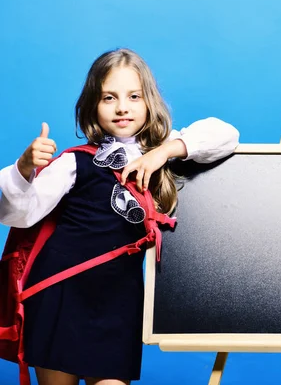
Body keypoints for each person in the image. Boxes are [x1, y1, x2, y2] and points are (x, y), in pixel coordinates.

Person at [0, 48, 239, 385]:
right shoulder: (75, 162)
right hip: (60, 291)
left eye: (133, 96)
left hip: (118, 302)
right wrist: (25, 169)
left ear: (148, 102)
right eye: (109, 97)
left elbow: (225, 134)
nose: (122, 107)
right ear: (92, 107)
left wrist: (164, 152)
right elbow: (19, 216)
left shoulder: (165, 156)